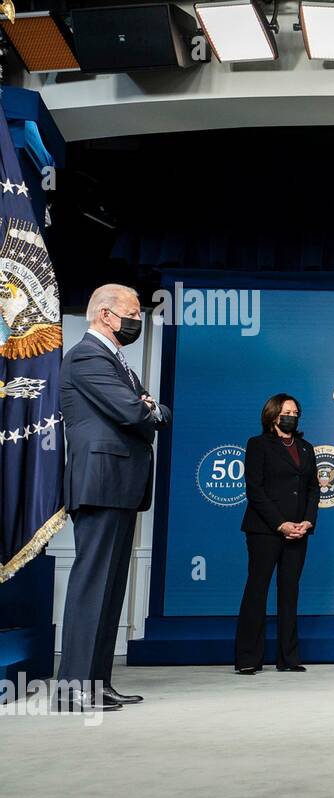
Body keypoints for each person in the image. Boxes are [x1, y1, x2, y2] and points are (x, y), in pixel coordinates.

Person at [58, 284, 170, 711]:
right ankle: (73, 689)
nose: (137, 318)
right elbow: (132, 411)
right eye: (132, 310)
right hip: (101, 483)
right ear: (105, 314)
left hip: (120, 486)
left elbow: (152, 410)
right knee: (93, 588)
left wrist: (149, 407)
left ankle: (96, 682)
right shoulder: (88, 355)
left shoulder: (114, 361)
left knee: (109, 591)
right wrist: (148, 408)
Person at [234, 394, 320, 674]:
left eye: (296, 411)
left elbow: (312, 489)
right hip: (264, 530)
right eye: (287, 411)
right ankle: (248, 659)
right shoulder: (257, 445)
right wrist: (280, 524)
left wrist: (307, 521)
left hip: (299, 531)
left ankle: (289, 658)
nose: (292, 416)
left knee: (289, 592)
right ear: (273, 415)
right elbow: (255, 490)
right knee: (257, 591)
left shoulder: (307, 448)